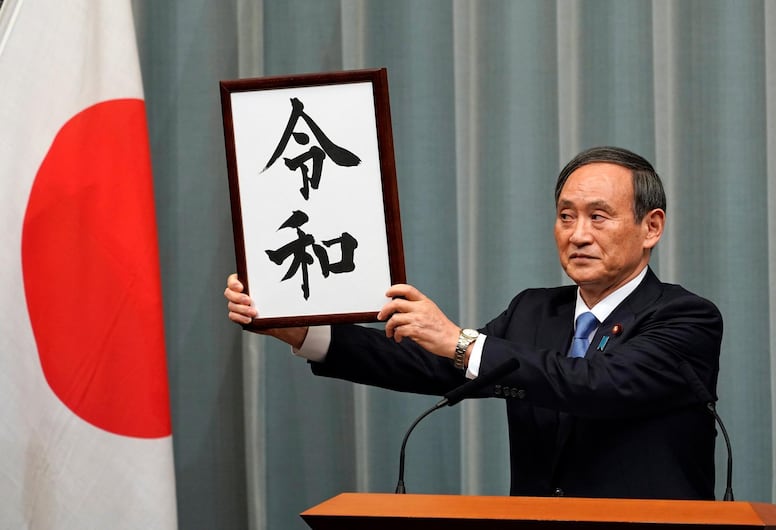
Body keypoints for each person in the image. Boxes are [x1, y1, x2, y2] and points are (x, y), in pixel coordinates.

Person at [225, 146, 723, 500]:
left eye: (599, 217)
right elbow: (432, 367)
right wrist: (301, 329)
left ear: (651, 226)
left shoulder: (687, 318)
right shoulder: (535, 310)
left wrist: (460, 341)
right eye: (566, 216)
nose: (578, 235)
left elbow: (596, 384)